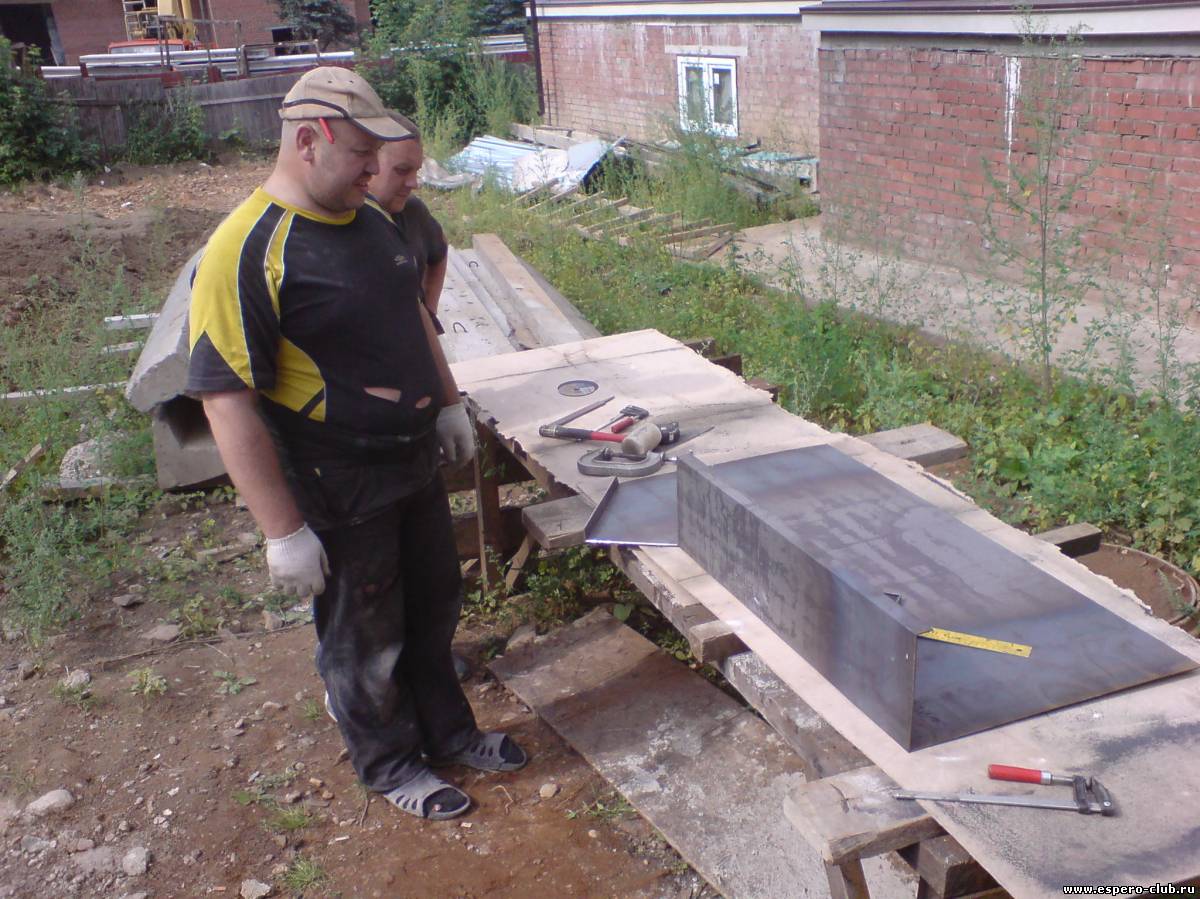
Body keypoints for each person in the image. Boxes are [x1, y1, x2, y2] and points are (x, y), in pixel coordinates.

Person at [185, 66, 526, 822]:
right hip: (336, 474)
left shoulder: (369, 221)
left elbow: (415, 318)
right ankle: (390, 761)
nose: (376, 171)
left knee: (434, 606)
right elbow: (225, 398)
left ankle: (449, 732)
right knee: (366, 632)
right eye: (362, 155)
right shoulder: (245, 249)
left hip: (412, 458)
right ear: (309, 141)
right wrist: (282, 532)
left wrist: (447, 406)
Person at [366, 112, 448, 330]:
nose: (414, 183)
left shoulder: (412, 211)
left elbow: (440, 250)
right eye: (402, 170)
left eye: (416, 171)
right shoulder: (342, 222)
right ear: (368, 162)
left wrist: (429, 313)